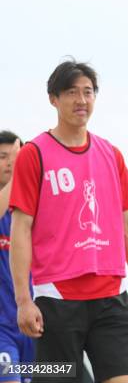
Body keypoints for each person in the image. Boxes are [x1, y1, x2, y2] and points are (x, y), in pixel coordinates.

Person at [9, 60, 128, 383]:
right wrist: (24, 300)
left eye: (88, 92)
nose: (81, 100)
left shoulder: (110, 153)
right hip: (56, 299)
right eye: (72, 92)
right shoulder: (34, 154)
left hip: (111, 297)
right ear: (53, 99)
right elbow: (20, 228)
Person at [0, 131, 33, 383]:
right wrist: (21, 172)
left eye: (16, 157)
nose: (11, 163)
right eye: (3, 157)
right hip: (2, 331)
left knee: (61, 374)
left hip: (36, 325)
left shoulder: (31, 210)